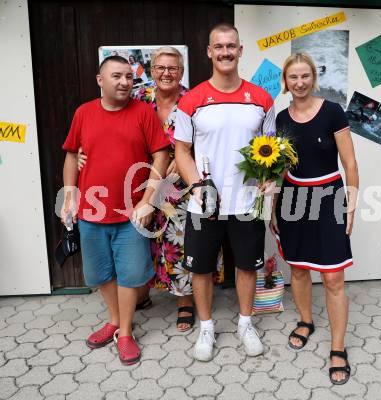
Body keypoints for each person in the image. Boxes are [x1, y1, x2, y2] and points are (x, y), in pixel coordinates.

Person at [79, 47, 224, 332]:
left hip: (182, 186)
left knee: (180, 242)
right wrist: (83, 152)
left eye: (173, 68)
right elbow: (110, 123)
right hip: (142, 182)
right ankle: (142, 294)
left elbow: (211, 139)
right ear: (151, 69)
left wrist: (185, 159)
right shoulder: (138, 97)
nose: (166, 73)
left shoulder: (193, 100)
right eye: (160, 68)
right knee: (145, 240)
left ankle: (184, 302)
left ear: (181, 72)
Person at [174, 23, 276, 361]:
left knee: (247, 265)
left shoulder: (261, 99)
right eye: (219, 47)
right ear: (209, 51)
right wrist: (198, 186)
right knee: (201, 268)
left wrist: (270, 179)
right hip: (204, 204)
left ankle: (245, 324)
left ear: (240, 50)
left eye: (231, 46)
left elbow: (272, 149)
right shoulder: (191, 100)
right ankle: (206, 328)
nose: (225, 52)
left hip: (247, 201)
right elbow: (182, 150)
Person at [61, 55, 169, 365]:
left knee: (130, 274)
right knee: (99, 273)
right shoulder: (83, 113)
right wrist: (70, 194)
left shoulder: (142, 113)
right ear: (100, 80)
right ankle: (114, 319)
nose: (124, 82)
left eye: (128, 76)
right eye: (116, 76)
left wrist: (148, 200)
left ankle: (124, 332)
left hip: (131, 212)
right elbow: (71, 156)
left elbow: (160, 156)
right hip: (92, 211)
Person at [270, 53, 358, 385]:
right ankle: (306, 320)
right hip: (293, 198)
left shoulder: (333, 111)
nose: (300, 82)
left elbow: (350, 163)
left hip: (330, 197)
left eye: (305, 76)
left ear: (313, 77)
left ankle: (338, 348)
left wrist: (351, 205)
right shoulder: (280, 118)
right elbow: (278, 169)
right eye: (293, 77)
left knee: (334, 277)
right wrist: (274, 208)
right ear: (286, 81)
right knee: (298, 268)